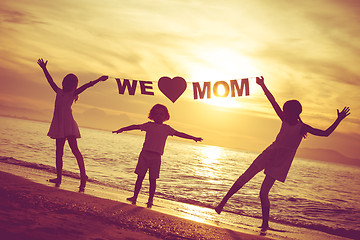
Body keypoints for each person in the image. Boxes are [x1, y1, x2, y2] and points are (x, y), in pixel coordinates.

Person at [215, 76, 350, 232]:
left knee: (263, 192)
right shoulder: (284, 120)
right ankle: (222, 204)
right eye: (284, 110)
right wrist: (263, 85)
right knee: (245, 176)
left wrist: (338, 119)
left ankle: (265, 224)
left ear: (295, 112)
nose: (284, 113)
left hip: (281, 162)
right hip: (270, 153)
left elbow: (325, 133)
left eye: (286, 111)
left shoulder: (302, 127)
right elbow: (272, 101)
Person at [37, 58, 108, 192]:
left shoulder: (72, 94)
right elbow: (50, 81)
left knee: (75, 151)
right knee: (59, 153)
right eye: (66, 82)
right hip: (59, 126)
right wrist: (44, 69)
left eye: (71, 83)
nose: (67, 85)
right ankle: (58, 178)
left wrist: (99, 79)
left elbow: (87, 86)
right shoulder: (58, 92)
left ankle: (83, 177)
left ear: (74, 86)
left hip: (68, 126)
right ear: (63, 83)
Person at [113, 104, 203, 208]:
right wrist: (122, 129)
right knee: (140, 177)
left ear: (165, 117)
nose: (158, 116)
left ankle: (150, 200)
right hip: (145, 154)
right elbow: (135, 126)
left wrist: (193, 138)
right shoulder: (148, 125)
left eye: (161, 114)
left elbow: (180, 134)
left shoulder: (167, 129)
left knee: (153, 180)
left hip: (156, 157)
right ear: (152, 115)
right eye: (156, 114)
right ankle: (135, 196)